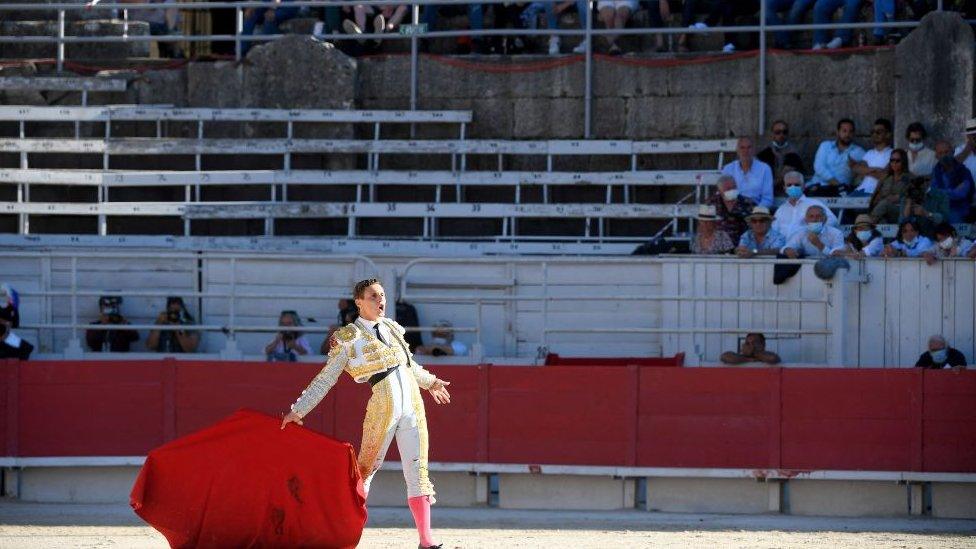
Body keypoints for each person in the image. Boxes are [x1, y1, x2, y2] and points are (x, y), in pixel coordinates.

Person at [281, 279, 452, 549]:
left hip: (413, 405)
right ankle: (345, 536)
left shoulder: (393, 328)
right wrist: (298, 409)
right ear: (359, 302)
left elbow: (409, 366)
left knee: (418, 472)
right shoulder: (349, 337)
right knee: (365, 471)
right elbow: (326, 378)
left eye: (382, 295)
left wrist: (431, 382)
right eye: (373, 296)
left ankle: (426, 541)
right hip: (383, 406)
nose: (380, 300)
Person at [807, 118, 865, 197]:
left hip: (840, 192)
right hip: (818, 186)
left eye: (850, 131)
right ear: (838, 132)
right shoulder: (825, 146)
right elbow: (819, 167)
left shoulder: (859, 152)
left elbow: (868, 167)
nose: (847, 134)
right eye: (844, 131)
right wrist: (838, 184)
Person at [773, 171, 839, 237]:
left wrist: (815, 231)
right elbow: (773, 231)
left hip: (806, 244)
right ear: (784, 188)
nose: (793, 187)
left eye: (797, 185)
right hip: (782, 245)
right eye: (789, 185)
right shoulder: (781, 210)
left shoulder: (814, 204)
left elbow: (832, 220)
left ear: (804, 186)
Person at [721, 137, 774, 208]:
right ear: (737, 150)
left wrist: (757, 212)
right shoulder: (728, 169)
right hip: (733, 208)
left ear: (754, 150)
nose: (746, 151)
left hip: (756, 209)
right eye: (742, 148)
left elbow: (768, 199)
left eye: (749, 147)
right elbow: (724, 194)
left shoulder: (765, 169)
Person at [930, 140, 975, 223]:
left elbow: (961, 193)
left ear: (952, 152)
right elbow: (932, 193)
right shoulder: (935, 172)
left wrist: (940, 193)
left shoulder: (963, 171)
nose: (944, 155)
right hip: (940, 211)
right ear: (936, 155)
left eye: (946, 152)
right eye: (940, 153)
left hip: (959, 211)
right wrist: (951, 192)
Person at [756, 119, 805, 193]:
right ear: (773, 134)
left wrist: (766, 189)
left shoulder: (793, 153)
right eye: (778, 132)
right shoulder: (765, 151)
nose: (781, 135)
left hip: (788, 191)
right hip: (767, 189)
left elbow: (783, 177)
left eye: (784, 132)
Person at [706, 174, 756, 244]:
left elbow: (755, 227)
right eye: (728, 189)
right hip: (717, 245)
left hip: (741, 246)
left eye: (734, 188)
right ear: (720, 191)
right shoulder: (711, 203)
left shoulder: (748, 203)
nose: (732, 191)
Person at [850, 118, 893, 196]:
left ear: (888, 134)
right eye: (872, 132)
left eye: (878, 132)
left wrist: (866, 171)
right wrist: (876, 170)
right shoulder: (869, 153)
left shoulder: (893, 153)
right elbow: (856, 168)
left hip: (876, 193)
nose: (874, 134)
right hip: (861, 190)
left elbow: (884, 176)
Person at [868, 148, 911, 224]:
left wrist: (899, 197)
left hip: (900, 211)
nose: (894, 163)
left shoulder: (910, 178)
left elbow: (914, 196)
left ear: (903, 162)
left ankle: (867, 224)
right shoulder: (885, 178)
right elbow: (876, 195)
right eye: (892, 160)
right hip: (883, 211)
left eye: (897, 161)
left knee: (885, 204)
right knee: (882, 222)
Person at [0, 283, 32, 360]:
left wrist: (14, 308)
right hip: (3, 337)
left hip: (5, 336)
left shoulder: (8, 309)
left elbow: (15, 324)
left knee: (26, 348)